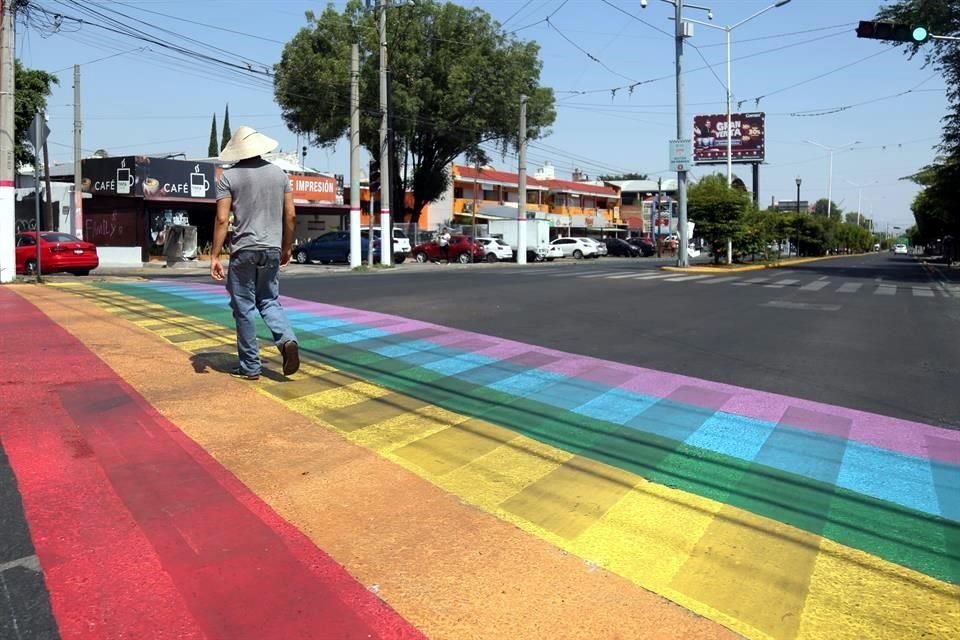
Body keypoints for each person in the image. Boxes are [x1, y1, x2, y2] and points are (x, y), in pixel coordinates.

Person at [211, 125, 299, 380]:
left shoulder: (228, 177)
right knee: (269, 300)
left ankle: (250, 366)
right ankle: (287, 340)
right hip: (271, 248)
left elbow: (221, 219)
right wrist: (286, 246)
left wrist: (215, 256)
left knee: (244, 307)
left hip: (244, 249)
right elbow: (291, 215)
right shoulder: (280, 175)